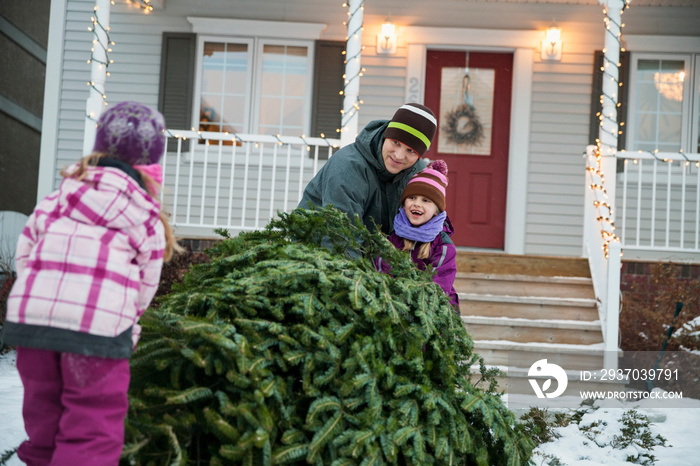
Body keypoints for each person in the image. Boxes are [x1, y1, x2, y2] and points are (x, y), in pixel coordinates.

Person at [1, 101, 181, 465]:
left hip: (32, 327)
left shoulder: (60, 196)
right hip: (96, 336)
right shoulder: (145, 214)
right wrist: (125, 324)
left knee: (44, 428)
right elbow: (145, 285)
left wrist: (39, 297)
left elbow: (26, 252)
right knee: (91, 432)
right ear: (151, 163)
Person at [298, 103, 437, 236]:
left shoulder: (417, 172)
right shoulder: (347, 167)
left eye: (411, 150)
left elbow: (433, 223)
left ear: (419, 156)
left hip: (373, 254)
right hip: (317, 248)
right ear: (385, 136)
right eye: (396, 142)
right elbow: (341, 236)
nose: (399, 156)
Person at [377, 160, 459, 309]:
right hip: (396, 305)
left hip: (431, 309)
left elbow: (440, 284)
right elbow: (382, 268)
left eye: (426, 200)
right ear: (403, 203)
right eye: (412, 197)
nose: (417, 204)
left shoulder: (443, 245)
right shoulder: (395, 237)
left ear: (437, 210)